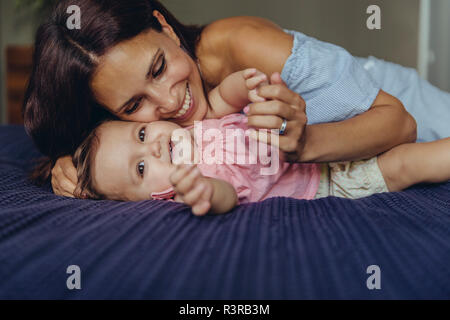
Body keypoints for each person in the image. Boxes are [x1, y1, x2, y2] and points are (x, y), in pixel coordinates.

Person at [29, 0, 450, 198]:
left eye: (158, 68)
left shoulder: (245, 52)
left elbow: (402, 125)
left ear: (166, 27)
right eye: (134, 106)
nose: (170, 102)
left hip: (398, 104)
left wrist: (304, 144)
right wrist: (71, 165)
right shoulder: (135, 135)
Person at [72, 67, 450, 215]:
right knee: (410, 163)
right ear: (155, 198)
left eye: (141, 134)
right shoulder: (194, 181)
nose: (152, 147)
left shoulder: (196, 127)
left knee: (408, 148)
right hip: (332, 183)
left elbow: (223, 98)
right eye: (141, 167)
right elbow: (228, 196)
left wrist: (246, 86)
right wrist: (200, 190)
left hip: (327, 144)